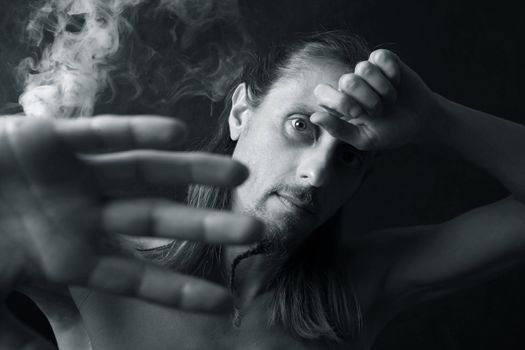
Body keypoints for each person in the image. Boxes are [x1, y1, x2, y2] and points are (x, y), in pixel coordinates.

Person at [1, 31, 524, 350]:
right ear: (241, 112)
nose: (316, 174)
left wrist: (437, 118)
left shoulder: (357, 296)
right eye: (301, 126)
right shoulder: (96, 261)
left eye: (348, 156)